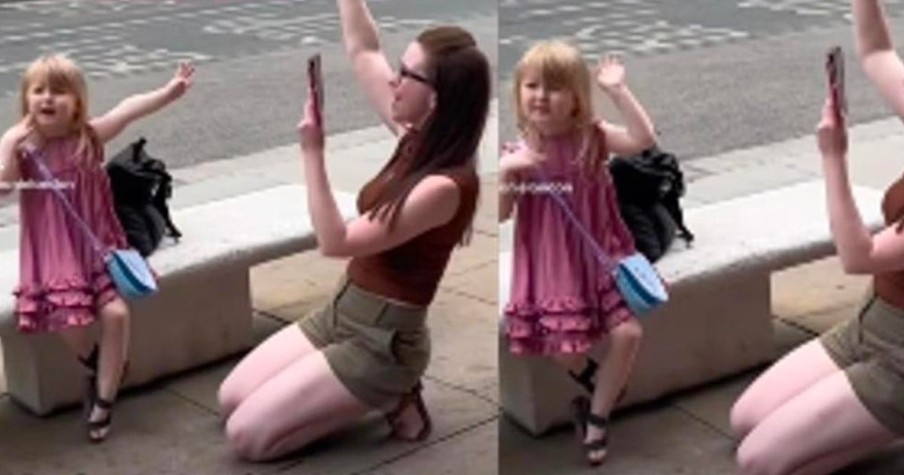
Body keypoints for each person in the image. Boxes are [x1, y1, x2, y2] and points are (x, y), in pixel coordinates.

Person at [216, 0, 491, 462]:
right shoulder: (415, 131)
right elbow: (364, 48)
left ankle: (392, 393)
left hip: (382, 342)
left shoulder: (444, 186)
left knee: (248, 438)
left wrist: (312, 152)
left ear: (438, 98)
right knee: (229, 398)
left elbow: (335, 242)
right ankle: (341, 391)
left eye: (406, 74)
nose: (392, 80)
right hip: (343, 311)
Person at [730, 2, 904, 473]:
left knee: (757, 461)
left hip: (900, 364)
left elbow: (858, 255)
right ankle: (861, 424)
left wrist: (834, 155)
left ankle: (885, 416)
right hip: (870, 325)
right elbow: (876, 53)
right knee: (743, 419)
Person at [0, 54, 194, 443]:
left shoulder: (87, 137)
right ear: (26, 101)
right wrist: (7, 146)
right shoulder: (25, 149)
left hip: (98, 249)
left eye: (59, 91)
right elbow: (3, 190)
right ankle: (99, 364)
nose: (47, 98)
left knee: (117, 315)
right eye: (38, 91)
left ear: (77, 102)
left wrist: (170, 93)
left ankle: (103, 400)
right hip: (53, 256)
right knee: (69, 323)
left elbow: (128, 110)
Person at [500, 40, 655, 466]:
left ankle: (598, 417)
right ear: (518, 93)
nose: (540, 96)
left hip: (599, 257)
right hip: (550, 268)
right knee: (563, 348)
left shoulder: (592, 138)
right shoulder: (518, 154)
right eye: (532, 86)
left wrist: (619, 91)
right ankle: (599, 387)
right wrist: (507, 175)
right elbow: (501, 214)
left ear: (576, 99)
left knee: (628, 333)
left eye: (554, 87)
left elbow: (644, 140)